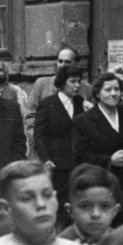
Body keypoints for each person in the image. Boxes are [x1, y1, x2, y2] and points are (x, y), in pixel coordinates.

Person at [73, 72, 123, 223]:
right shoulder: (83, 121)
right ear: (97, 93)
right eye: (108, 90)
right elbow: (80, 155)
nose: (114, 93)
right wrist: (110, 159)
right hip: (103, 183)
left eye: (117, 89)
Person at [34, 64, 87, 215]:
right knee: (59, 206)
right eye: (73, 81)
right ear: (63, 82)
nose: (77, 85)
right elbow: (38, 135)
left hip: (78, 162)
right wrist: (45, 158)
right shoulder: (47, 103)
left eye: (79, 81)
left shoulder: (80, 102)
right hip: (57, 164)